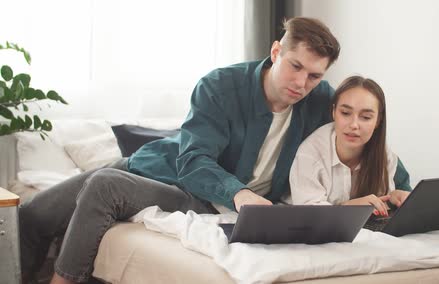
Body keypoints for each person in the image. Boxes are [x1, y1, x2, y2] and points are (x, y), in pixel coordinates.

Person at [19, 17, 340, 284]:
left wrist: (392, 185)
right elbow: (193, 160)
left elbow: (361, 134)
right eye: (295, 66)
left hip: (194, 201)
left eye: (314, 76)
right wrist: (239, 194)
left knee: (102, 184)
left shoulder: (320, 100)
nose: (301, 82)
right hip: (158, 171)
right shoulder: (220, 86)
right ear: (275, 52)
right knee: (31, 215)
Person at [288, 76, 412, 217]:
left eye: (365, 117)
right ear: (334, 112)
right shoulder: (309, 154)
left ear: (378, 120)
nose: (354, 125)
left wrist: (393, 197)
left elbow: (380, 203)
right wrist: (348, 207)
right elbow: (308, 214)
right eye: (345, 113)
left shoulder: (384, 154)